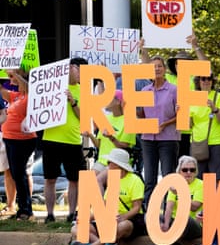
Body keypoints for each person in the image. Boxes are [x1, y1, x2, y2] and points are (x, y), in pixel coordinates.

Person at [70, 148, 145, 245]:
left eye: (109, 162)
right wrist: (88, 218)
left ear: (117, 165)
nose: (107, 165)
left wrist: (123, 217)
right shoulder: (112, 179)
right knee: (76, 228)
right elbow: (104, 206)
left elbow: (137, 207)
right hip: (109, 220)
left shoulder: (135, 180)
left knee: (123, 226)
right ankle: (104, 244)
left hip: (129, 220)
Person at [42, 57, 88, 223]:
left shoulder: (84, 90)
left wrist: (73, 102)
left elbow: (83, 117)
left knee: (74, 180)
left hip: (73, 140)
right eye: (79, 70)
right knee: (50, 179)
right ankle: (49, 214)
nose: (80, 74)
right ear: (71, 68)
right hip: (51, 138)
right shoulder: (51, 85)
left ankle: (71, 213)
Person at [138, 55, 179, 205]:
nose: (157, 69)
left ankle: (168, 210)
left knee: (168, 177)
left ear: (165, 69)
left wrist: (165, 124)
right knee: (149, 178)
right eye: (154, 66)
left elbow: (181, 115)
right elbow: (141, 115)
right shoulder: (144, 90)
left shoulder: (174, 90)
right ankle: (149, 213)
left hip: (168, 138)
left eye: (159, 66)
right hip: (148, 139)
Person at [145, 155, 203, 245]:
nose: (188, 173)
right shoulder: (175, 184)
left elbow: (194, 207)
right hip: (174, 222)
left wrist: (179, 193)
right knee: (149, 216)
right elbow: (169, 207)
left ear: (196, 171)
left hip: (193, 224)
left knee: (184, 219)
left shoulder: (201, 184)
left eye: (192, 170)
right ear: (179, 171)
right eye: (185, 170)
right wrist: (166, 224)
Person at [0, 69, 37, 220]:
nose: (11, 79)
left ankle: (26, 210)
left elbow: (28, 88)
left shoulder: (30, 95)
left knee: (19, 174)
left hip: (22, 140)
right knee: (16, 174)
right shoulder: (16, 96)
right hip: (9, 139)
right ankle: (23, 208)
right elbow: (2, 92)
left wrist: (15, 74)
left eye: (13, 77)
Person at [83, 90, 136, 174]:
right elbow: (99, 146)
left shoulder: (129, 121)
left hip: (118, 163)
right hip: (102, 161)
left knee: (99, 180)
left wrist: (111, 137)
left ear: (118, 101)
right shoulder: (106, 118)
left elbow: (125, 147)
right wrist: (90, 135)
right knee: (89, 181)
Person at [190, 72, 220, 181]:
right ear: (199, 81)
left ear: (213, 81)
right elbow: (189, 125)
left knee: (216, 179)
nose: (206, 81)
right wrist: (180, 112)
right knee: (198, 179)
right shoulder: (192, 98)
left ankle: (215, 199)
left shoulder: (219, 96)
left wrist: (214, 109)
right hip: (198, 143)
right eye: (203, 78)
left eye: (209, 78)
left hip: (216, 143)